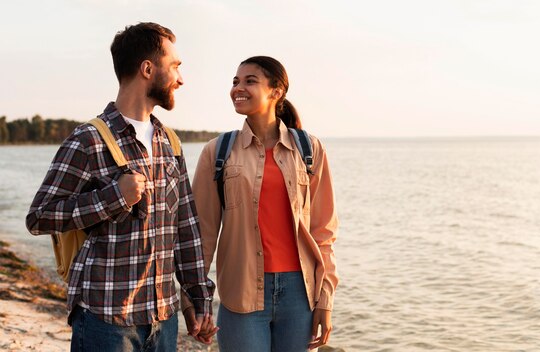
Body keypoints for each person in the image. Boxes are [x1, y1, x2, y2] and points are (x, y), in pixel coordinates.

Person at [25, 22, 217, 351]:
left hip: (163, 320)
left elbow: (185, 230)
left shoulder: (170, 142)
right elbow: (40, 216)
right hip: (106, 321)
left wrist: (198, 300)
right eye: (175, 67)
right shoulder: (88, 139)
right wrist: (114, 197)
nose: (181, 79)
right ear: (147, 69)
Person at [183, 56, 339, 351]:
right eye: (235, 81)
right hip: (241, 293)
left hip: (300, 295)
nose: (238, 88)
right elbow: (200, 234)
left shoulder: (309, 150)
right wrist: (194, 297)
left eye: (249, 81)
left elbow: (324, 232)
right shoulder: (217, 152)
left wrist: (325, 300)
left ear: (276, 91)